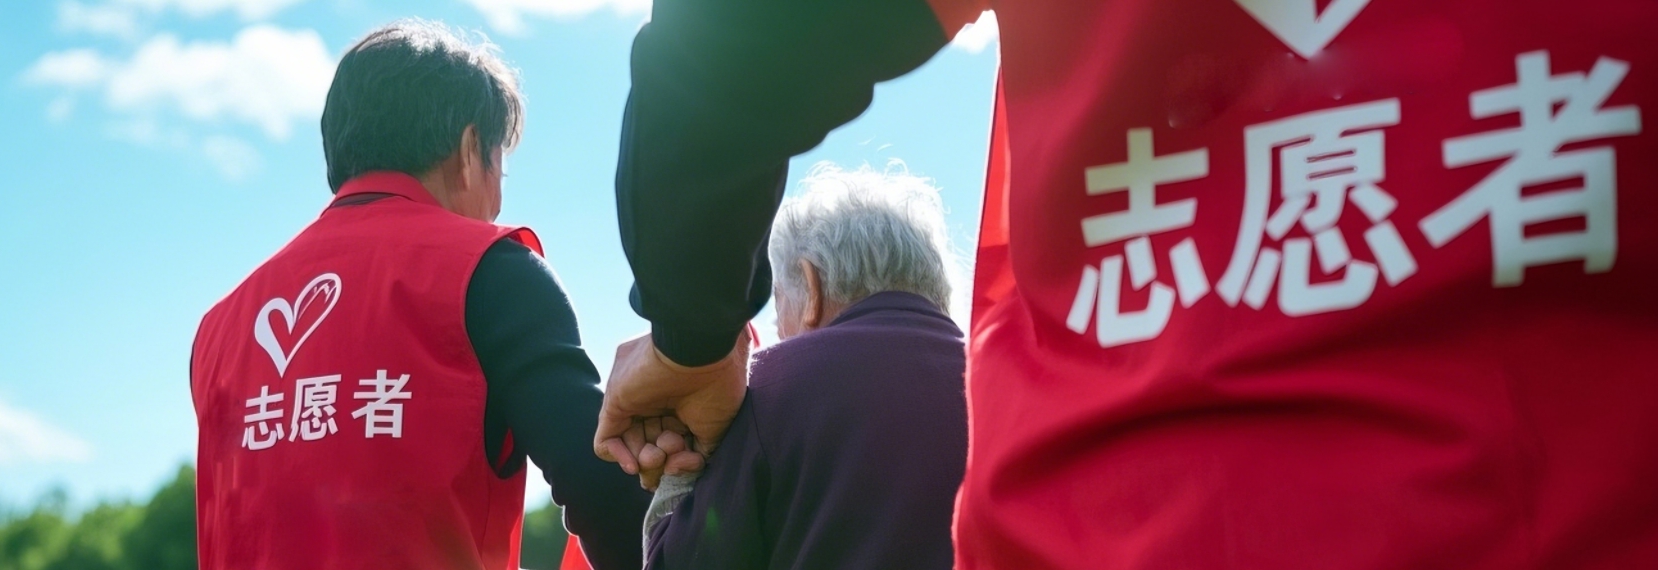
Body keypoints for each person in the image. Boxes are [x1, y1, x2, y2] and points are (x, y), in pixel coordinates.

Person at [597, 0, 1658, 568]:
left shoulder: (779, 394)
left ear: (807, 283)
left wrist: (695, 336)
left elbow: (723, 58)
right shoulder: (950, 373)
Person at [190, 20, 647, 570]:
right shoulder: (492, 272)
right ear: (470, 149)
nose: (497, 202)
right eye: (500, 170)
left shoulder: (218, 328)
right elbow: (603, 489)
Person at [642, 164, 968, 570]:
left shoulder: (766, 389)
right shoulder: (1008, 386)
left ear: (810, 286)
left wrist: (678, 484)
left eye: (778, 304)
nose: (778, 332)